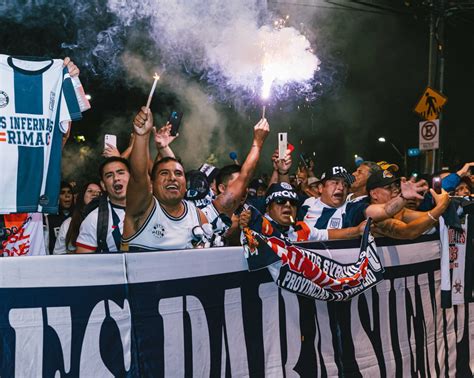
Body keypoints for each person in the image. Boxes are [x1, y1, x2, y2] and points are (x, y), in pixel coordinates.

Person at [121, 107, 209, 251]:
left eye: (178, 174)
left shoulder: (197, 216)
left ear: (185, 186)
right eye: (164, 173)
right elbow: (139, 176)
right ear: (152, 184)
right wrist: (142, 136)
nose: (172, 178)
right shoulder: (142, 209)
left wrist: (163, 147)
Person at [299, 165, 427, 230]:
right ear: (321, 188)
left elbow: (385, 210)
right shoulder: (307, 203)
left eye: (344, 184)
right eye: (335, 182)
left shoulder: (352, 208)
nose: (341, 187)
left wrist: (403, 197)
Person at [240, 183, 366, 242]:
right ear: (268, 208)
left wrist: (358, 230)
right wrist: (243, 226)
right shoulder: (254, 226)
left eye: (293, 203)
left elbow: (329, 234)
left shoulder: (302, 230)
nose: (288, 205)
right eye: (280, 201)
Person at [367, 169, 451, 239]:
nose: (396, 190)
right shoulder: (374, 217)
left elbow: (430, 218)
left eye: (396, 186)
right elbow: (409, 232)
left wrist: (445, 203)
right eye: (389, 187)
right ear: (374, 194)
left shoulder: (400, 212)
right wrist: (441, 206)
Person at [76, 157, 130, 253]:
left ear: (132, 178)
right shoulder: (94, 219)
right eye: (109, 175)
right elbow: (83, 263)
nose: (116, 178)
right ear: (104, 185)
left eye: (121, 172)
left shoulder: (151, 208)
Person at [53, 182, 102, 254]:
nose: (95, 194)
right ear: (82, 196)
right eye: (90, 191)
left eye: (99, 192)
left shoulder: (110, 220)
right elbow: (58, 254)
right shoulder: (68, 223)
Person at [45, 181, 74, 254]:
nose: (67, 195)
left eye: (69, 192)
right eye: (62, 193)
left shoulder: (77, 216)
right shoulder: (49, 219)